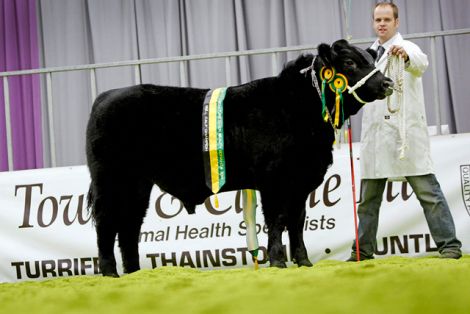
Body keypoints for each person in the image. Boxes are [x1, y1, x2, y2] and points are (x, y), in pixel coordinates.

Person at [347, 2, 462, 261]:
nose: (382, 24)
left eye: (387, 19)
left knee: (429, 194)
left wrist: (406, 57)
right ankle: (362, 252)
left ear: (396, 22)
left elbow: (421, 63)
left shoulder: (407, 47)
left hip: (405, 137)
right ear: (373, 22)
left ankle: (450, 246)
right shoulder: (367, 55)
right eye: (378, 19)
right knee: (367, 202)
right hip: (376, 138)